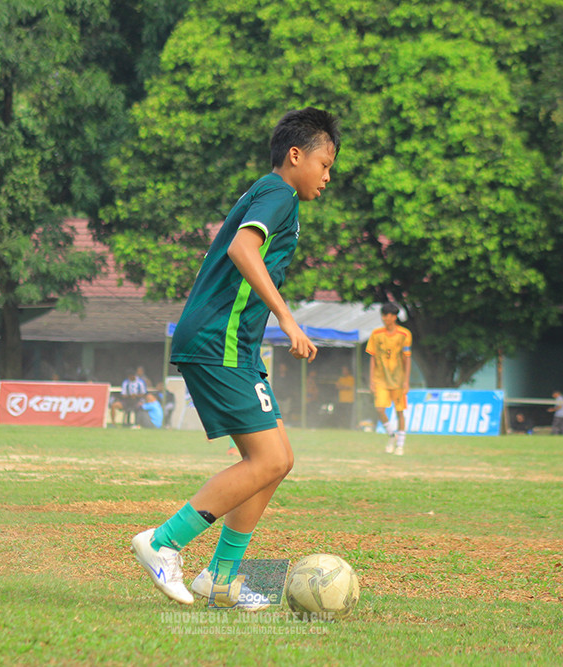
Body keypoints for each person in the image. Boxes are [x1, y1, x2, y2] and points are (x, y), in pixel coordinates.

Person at [130, 107, 340, 610]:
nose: (328, 178)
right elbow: (244, 250)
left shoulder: (272, 194)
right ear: (295, 156)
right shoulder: (279, 193)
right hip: (216, 344)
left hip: (234, 348)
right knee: (269, 458)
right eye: (325, 164)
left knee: (276, 461)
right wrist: (288, 319)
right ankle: (162, 542)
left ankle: (220, 579)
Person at [366, 303, 412, 455]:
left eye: (388, 315)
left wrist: (406, 380)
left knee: (400, 412)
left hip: (398, 380)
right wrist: (371, 379)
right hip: (381, 380)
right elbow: (372, 357)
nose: (385, 318)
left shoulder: (404, 334)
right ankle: (392, 434)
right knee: (379, 409)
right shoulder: (376, 333)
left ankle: (400, 444)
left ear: (394, 317)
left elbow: (407, 359)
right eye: (383, 315)